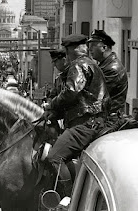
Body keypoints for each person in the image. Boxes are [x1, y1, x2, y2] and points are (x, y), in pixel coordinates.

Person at [42, 34, 110, 197]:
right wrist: (55, 111)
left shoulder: (79, 65)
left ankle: (70, 199)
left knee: (53, 157)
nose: (66, 55)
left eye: (66, 51)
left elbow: (71, 92)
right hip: (90, 120)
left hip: (85, 123)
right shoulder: (90, 64)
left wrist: (50, 105)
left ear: (71, 50)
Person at [88, 29, 128, 115]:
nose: (90, 49)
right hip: (102, 116)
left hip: (110, 118)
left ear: (104, 47)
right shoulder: (104, 65)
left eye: (93, 45)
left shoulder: (112, 69)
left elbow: (93, 94)